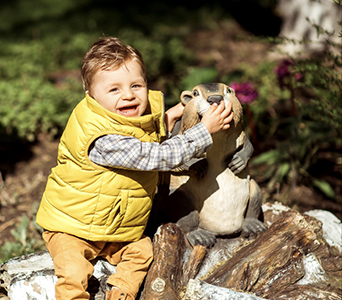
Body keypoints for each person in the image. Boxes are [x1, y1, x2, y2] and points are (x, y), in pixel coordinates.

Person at [36, 36, 233, 300]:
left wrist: (169, 116)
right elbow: (154, 155)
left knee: (143, 252)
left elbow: (136, 132)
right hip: (72, 228)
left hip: (117, 231)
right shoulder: (100, 139)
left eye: (136, 85)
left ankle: (120, 293)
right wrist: (203, 132)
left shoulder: (120, 117)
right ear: (91, 96)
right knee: (73, 270)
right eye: (114, 89)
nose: (129, 95)